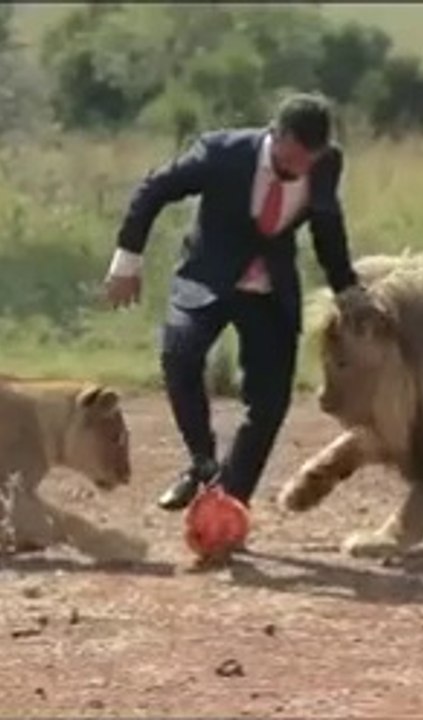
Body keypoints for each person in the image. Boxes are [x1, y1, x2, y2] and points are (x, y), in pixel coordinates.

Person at [103, 92, 368, 514]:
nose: (302, 168)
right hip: (208, 278)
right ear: (276, 135)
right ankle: (202, 465)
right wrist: (126, 263)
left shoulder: (326, 164)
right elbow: (155, 189)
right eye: (296, 157)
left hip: (270, 290)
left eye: (311, 160)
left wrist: (348, 293)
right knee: (180, 352)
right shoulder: (221, 153)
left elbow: (327, 228)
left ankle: (229, 501)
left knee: (271, 402)